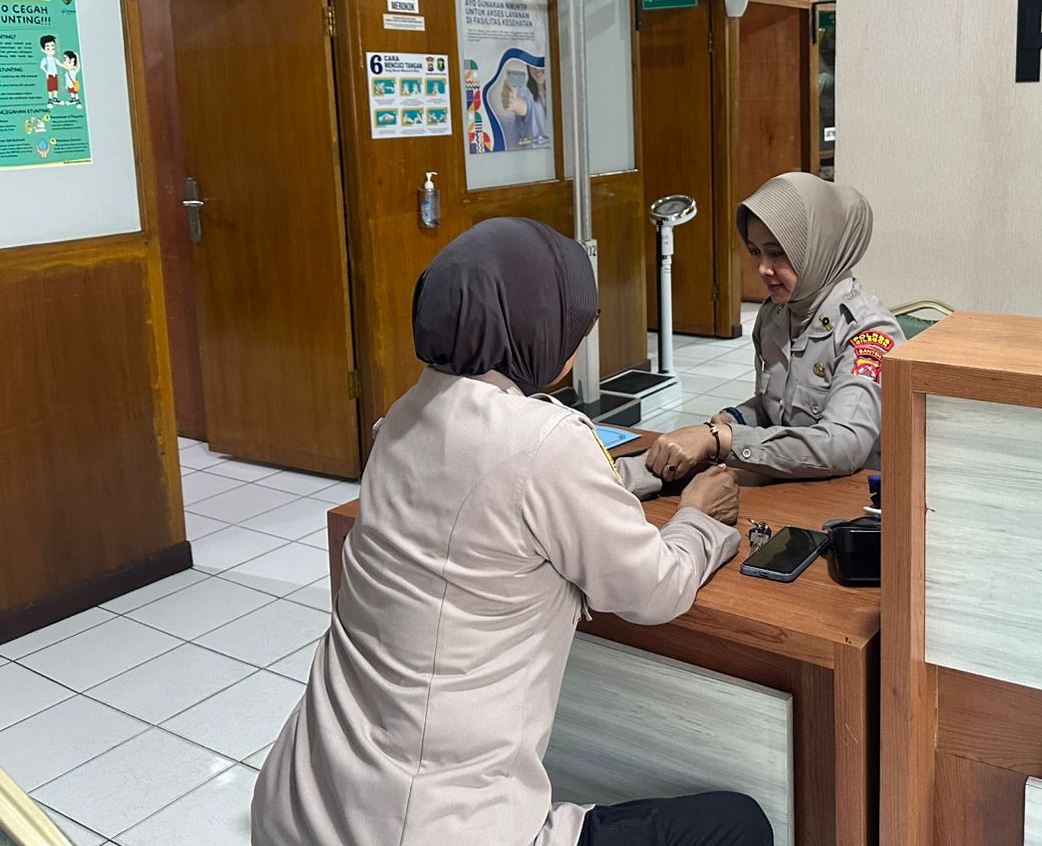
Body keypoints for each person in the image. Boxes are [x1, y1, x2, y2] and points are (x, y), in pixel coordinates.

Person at [252, 218, 772, 846]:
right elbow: (655, 589)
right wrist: (698, 516)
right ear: (538, 329)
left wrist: (638, 475)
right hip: (428, 828)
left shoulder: (402, 419)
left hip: (302, 806)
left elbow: (492, 493)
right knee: (739, 825)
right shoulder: (546, 441)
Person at [641, 173, 903, 487]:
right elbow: (778, 409)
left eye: (777, 253)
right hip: (790, 482)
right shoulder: (775, 315)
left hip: (852, 495)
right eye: (755, 251)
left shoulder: (866, 332)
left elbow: (843, 445)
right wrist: (735, 419)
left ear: (820, 248)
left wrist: (722, 440)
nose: (763, 268)